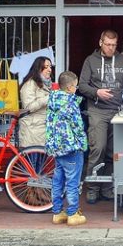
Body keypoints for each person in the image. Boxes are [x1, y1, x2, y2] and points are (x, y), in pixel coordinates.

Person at [78, 29, 123, 204]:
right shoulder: (90, 61)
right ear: (100, 43)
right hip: (97, 111)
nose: (111, 48)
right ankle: (93, 188)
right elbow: (81, 86)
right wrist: (97, 92)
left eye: (114, 45)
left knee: (113, 151)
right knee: (98, 148)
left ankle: (108, 189)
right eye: (108, 44)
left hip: (118, 111)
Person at [46, 71, 88, 226]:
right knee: (72, 181)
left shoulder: (53, 99)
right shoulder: (71, 102)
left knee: (58, 181)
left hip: (57, 148)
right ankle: (72, 213)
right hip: (71, 148)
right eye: (75, 86)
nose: (76, 89)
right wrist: (83, 144)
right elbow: (78, 126)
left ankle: (57, 213)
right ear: (70, 87)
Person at [18, 56, 52, 147]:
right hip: (32, 131)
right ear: (38, 68)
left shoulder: (45, 84)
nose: (49, 69)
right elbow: (28, 107)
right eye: (46, 67)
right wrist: (48, 98)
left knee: (41, 161)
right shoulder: (30, 84)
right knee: (32, 161)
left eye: (50, 67)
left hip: (41, 129)